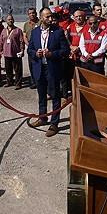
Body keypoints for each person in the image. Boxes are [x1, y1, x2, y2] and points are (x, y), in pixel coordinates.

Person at [27, 7, 69, 137]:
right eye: (47, 17)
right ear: (41, 18)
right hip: (39, 68)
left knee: (55, 96)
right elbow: (29, 50)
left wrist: (52, 54)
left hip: (52, 69)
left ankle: (54, 123)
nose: (50, 19)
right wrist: (35, 53)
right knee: (41, 95)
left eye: (51, 16)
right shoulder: (34, 32)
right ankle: (42, 117)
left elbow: (65, 50)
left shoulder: (58, 32)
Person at [63, 10, 87, 98]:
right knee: (70, 74)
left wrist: (79, 48)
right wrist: (70, 47)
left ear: (84, 17)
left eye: (80, 16)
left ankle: (81, 94)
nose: (78, 18)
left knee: (81, 75)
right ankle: (70, 94)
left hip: (82, 55)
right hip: (71, 54)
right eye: (76, 16)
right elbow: (66, 38)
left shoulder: (87, 27)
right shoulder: (70, 27)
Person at [0, 14, 25, 89]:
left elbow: (21, 41)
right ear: (6, 21)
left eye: (11, 19)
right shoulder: (3, 31)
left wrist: (22, 50)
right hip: (7, 53)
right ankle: (9, 81)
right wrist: (0, 51)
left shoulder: (18, 30)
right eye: (9, 19)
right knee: (8, 69)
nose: (10, 20)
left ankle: (18, 83)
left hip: (16, 53)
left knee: (18, 69)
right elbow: (1, 41)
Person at [23, 7, 40, 89]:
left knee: (39, 65)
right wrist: (29, 45)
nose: (31, 14)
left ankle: (39, 81)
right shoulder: (26, 24)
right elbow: (24, 36)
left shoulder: (40, 22)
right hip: (31, 48)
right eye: (30, 13)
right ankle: (34, 82)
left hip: (39, 47)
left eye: (33, 13)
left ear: (36, 13)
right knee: (31, 65)